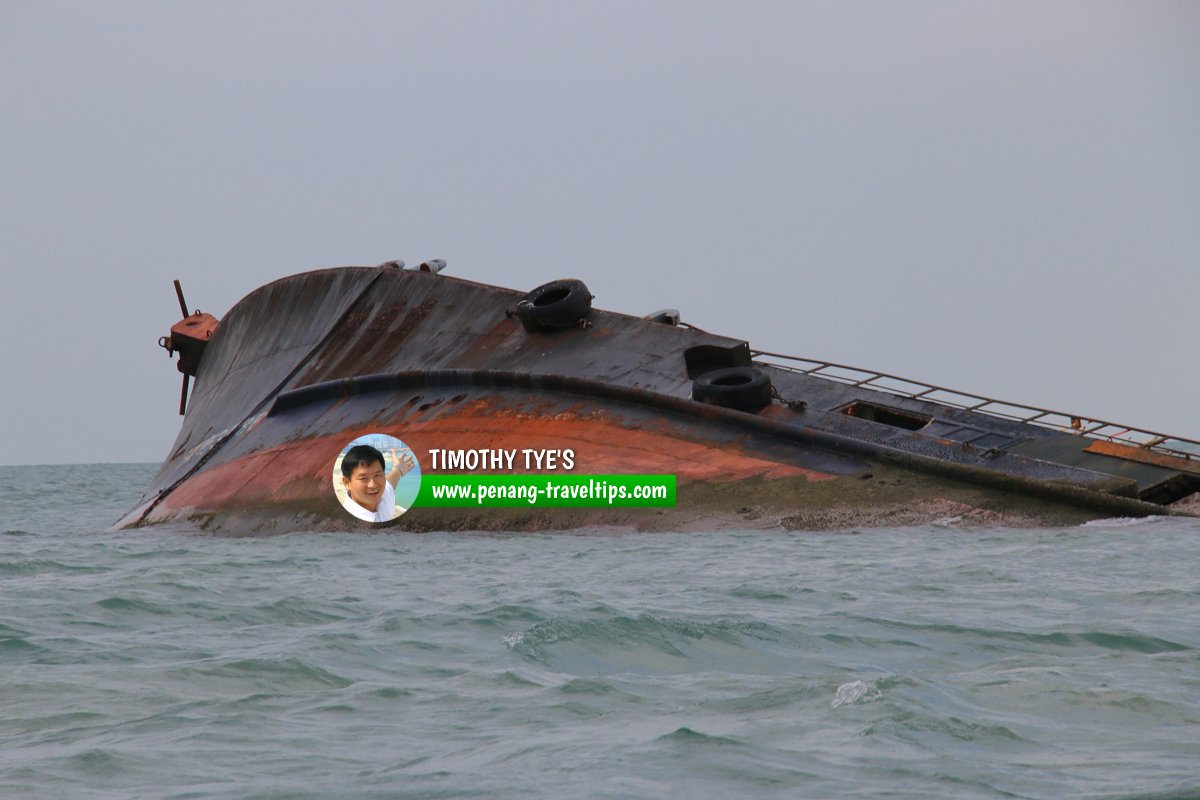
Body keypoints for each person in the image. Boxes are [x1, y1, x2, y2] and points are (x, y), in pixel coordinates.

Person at [339, 444, 415, 522]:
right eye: (363, 478)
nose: (373, 485)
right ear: (347, 483)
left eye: (377, 475)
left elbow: (391, 481)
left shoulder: (383, 496)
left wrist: (399, 469)